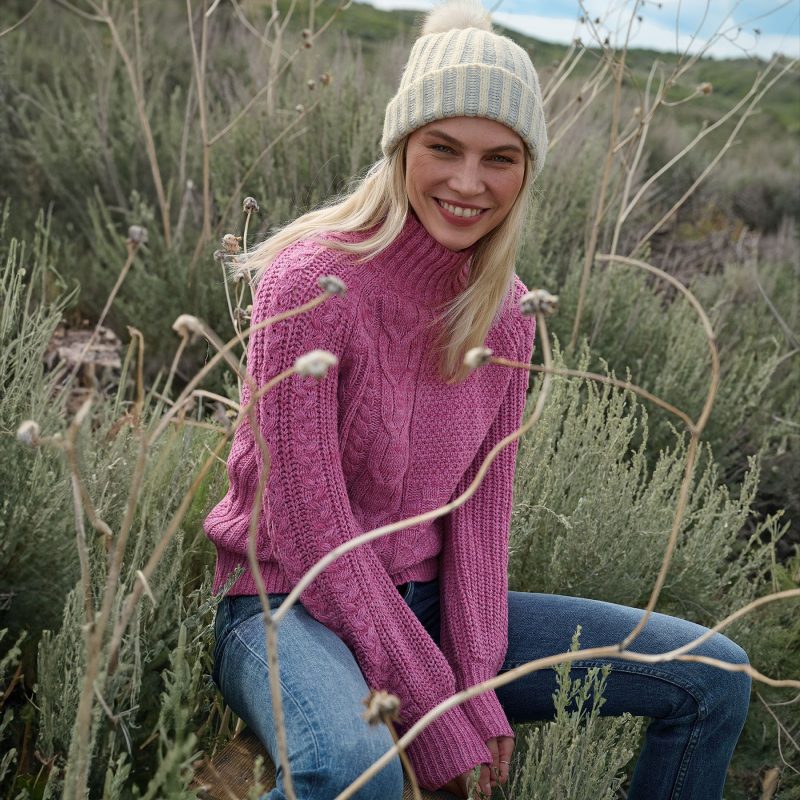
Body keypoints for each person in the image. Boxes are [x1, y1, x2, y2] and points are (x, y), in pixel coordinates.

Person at [205, 2, 751, 798]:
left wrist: (480, 684)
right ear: (401, 147)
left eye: (499, 158)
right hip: (287, 607)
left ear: (526, 171)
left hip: (426, 608)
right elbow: (311, 530)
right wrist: (436, 704)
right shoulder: (311, 284)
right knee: (358, 770)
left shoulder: (507, 313)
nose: (468, 183)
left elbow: (479, 525)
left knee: (711, 674)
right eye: (443, 148)